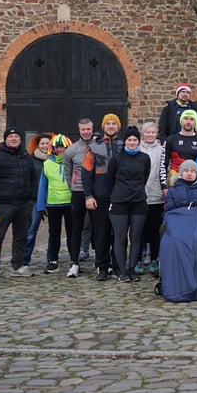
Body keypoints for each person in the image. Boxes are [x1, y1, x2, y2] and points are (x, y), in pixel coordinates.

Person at [0, 127, 36, 279]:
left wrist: (32, 197)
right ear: (5, 139)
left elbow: (33, 179)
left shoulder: (27, 158)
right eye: (11, 136)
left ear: (20, 139)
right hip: (2, 204)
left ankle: (18, 265)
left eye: (16, 136)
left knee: (21, 236)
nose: (14, 139)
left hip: (24, 203)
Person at [108, 126, 151, 282]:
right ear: (124, 141)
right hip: (120, 202)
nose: (132, 143)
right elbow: (111, 177)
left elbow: (145, 176)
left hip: (138, 201)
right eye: (129, 140)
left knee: (136, 237)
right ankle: (121, 270)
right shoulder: (116, 158)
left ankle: (132, 268)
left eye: (135, 140)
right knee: (120, 238)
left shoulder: (144, 158)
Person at [83, 113, 122, 281]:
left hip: (120, 196)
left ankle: (118, 265)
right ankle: (102, 266)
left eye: (114, 124)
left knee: (119, 234)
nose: (111, 126)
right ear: (104, 127)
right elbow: (86, 173)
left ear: (118, 127)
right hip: (100, 196)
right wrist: (88, 195)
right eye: (108, 124)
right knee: (101, 234)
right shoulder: (93, 147)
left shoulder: (124, 145)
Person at [36, 134, 73, 275]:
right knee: (54, 233)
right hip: (53, 203)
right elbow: (42, 186)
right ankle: (53, 261)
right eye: (57, 147)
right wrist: (40, 205)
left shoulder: (73, 162)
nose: (60, 150)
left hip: (70, 202)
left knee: (72, 233)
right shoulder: (47, 164)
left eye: (63, 147)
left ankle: (73, 260)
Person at [63, 118, 95, 265]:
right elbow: (68, 173)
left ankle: (101, 261)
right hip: (78, 192)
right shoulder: (71, 150)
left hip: (97, 192)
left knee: (100, 227)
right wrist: (74, 187)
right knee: (77, 227)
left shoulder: (99, 147)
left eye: (88, 129)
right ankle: (74, 261)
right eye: (83, 129)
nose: (86, 132)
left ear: (92, 129)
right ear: (79, 130)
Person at [138, 122, 168, 277]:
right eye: (147, 132)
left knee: (154, 229)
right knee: (139, 229)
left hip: (156, 194)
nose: (150, 135)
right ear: (143, 134)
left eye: (152, 132)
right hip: (140, 195)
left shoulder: (162, 150)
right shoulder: (137, 148)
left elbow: (163, 170)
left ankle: (155, 258)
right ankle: (138, 258)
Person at [22, 132, 52, 269]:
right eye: (43, 144)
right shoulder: (31, 160)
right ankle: (24, 259)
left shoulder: (56, 159)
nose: (45, 146)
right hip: (35, 199)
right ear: (38, 145)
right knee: (31, 230)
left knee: (54, 230)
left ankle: (52, 258)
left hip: (53, 199)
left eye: (48, 143)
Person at [165, 109, 197, 183]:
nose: (188, 122)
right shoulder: (171, 140)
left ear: (195, 122)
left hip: (195, 182)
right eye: (186, 118)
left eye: (191, 119)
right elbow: (164, 163)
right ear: (181, 121)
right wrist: (164, 185)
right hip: (175, 181)